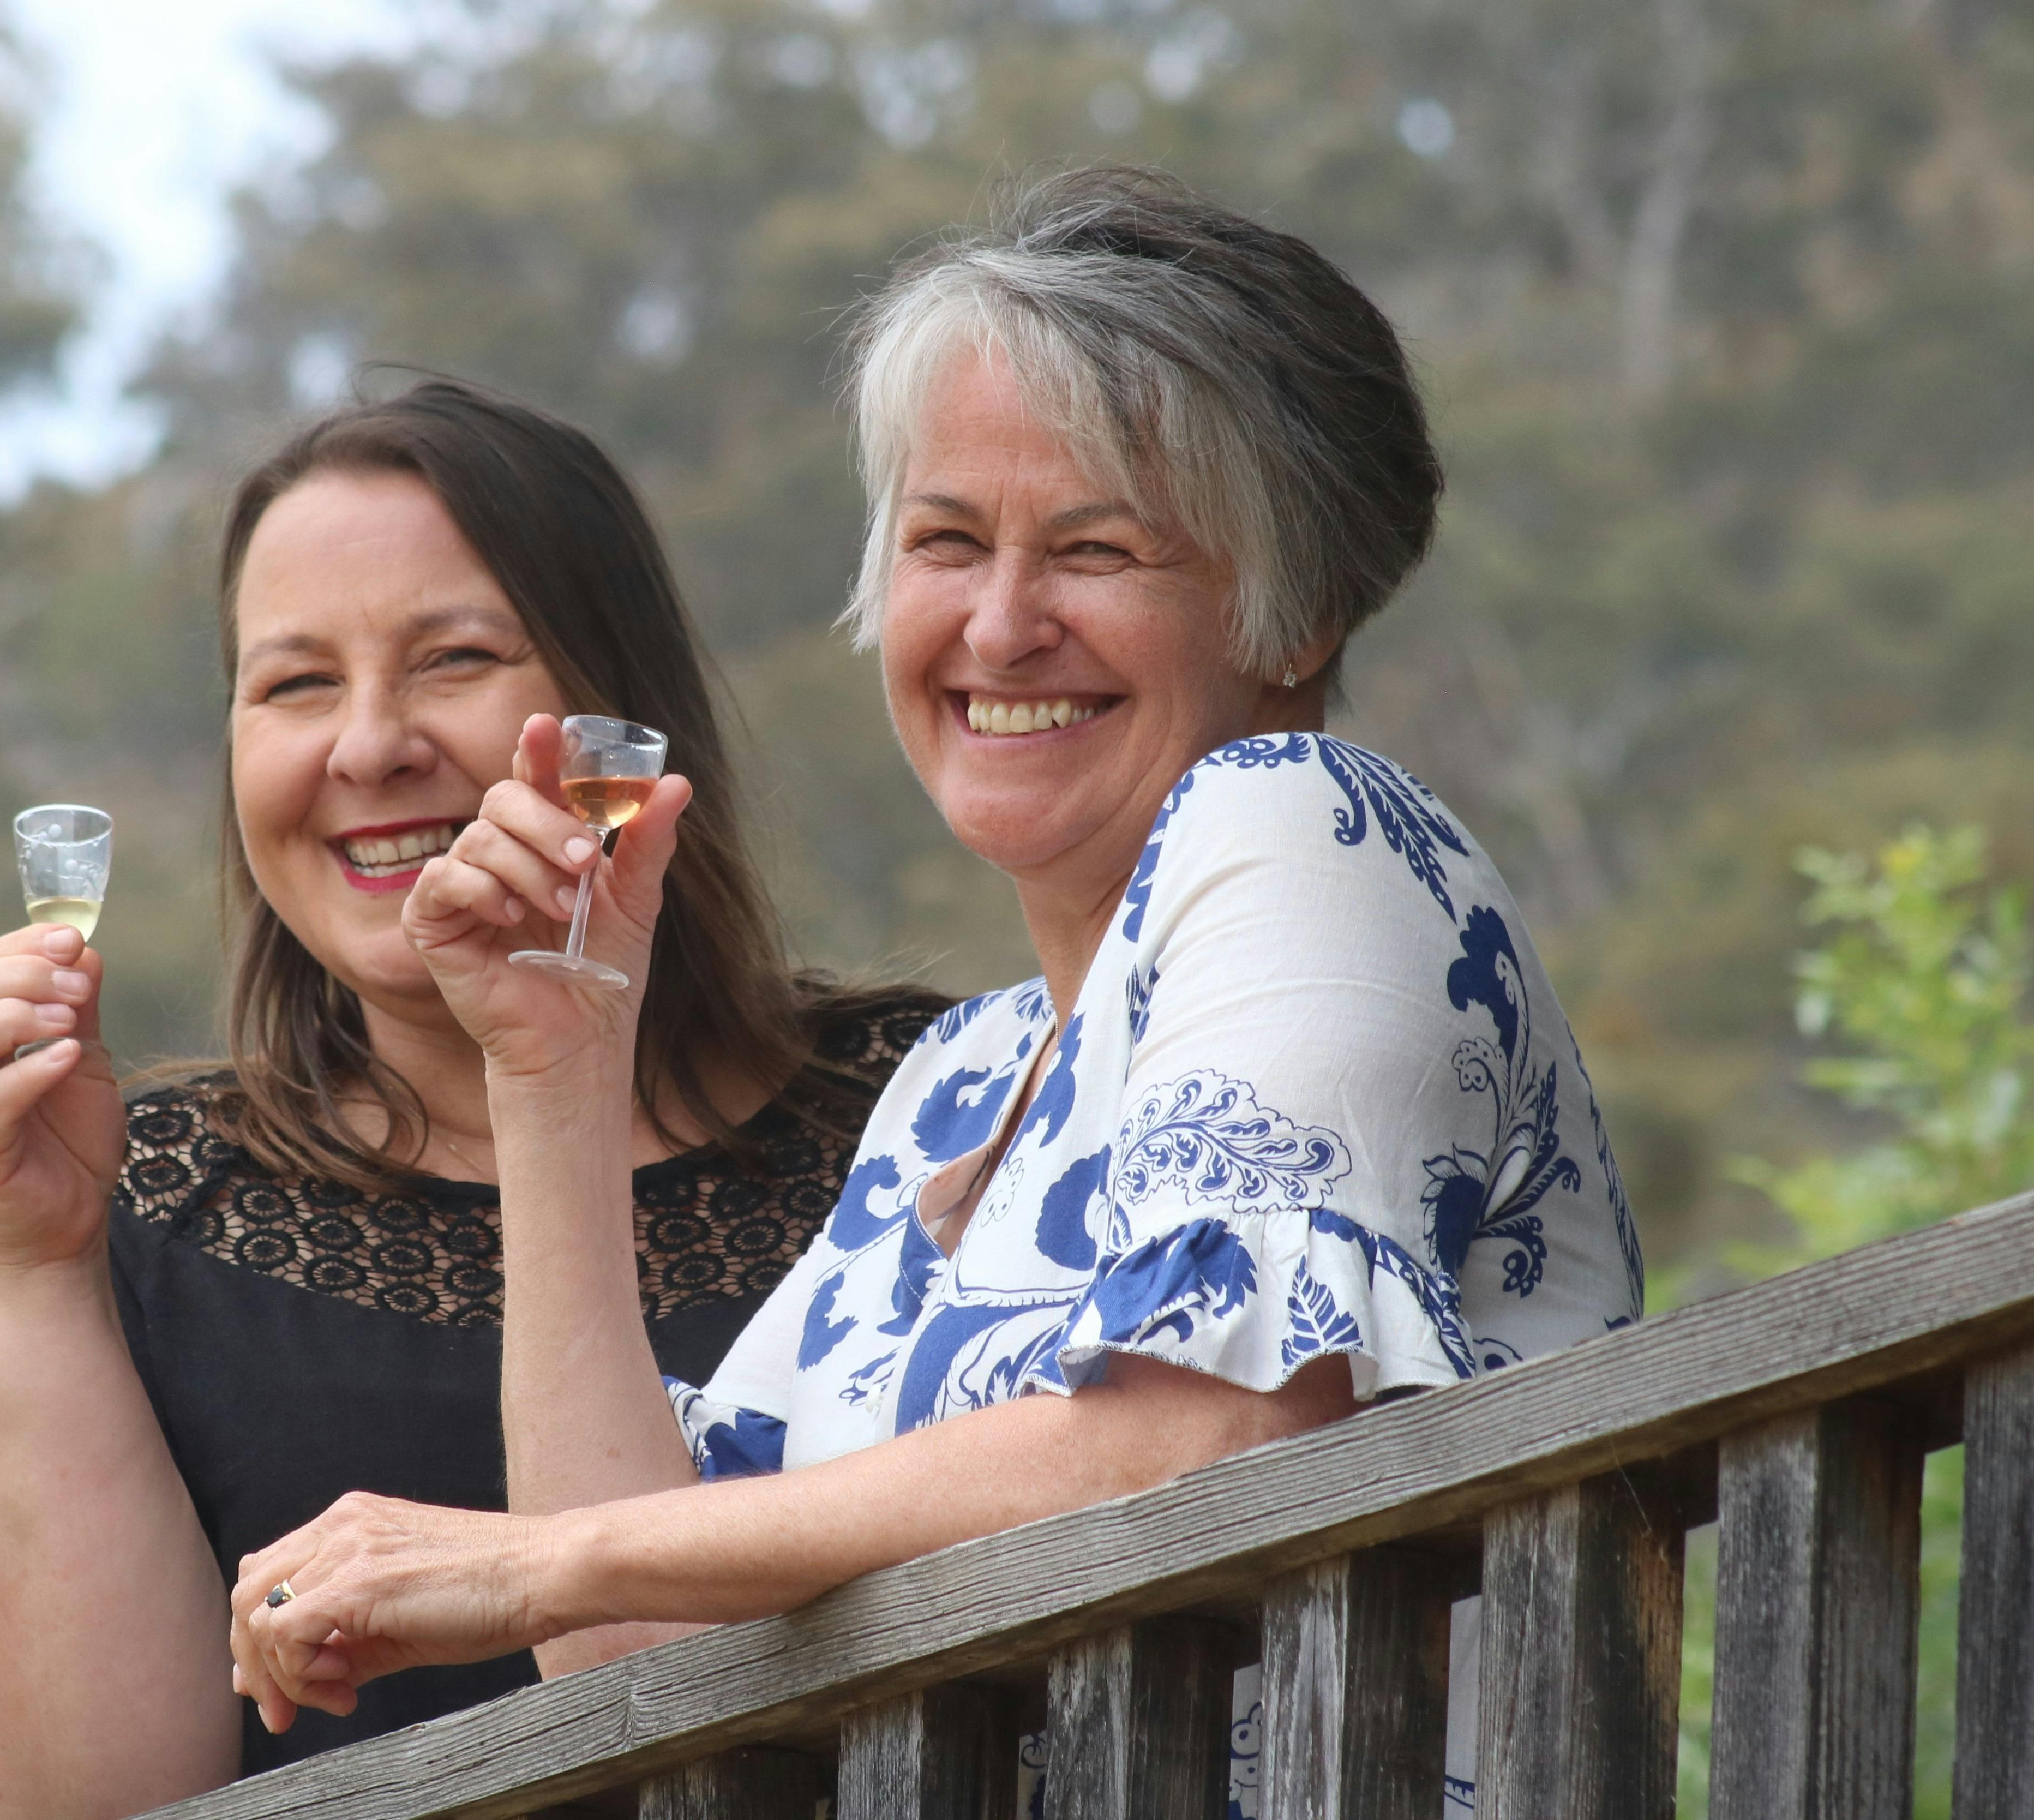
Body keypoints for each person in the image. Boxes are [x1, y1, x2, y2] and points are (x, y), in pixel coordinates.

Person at [222, 169, 1645, 1814]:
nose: (999, 624)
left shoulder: (1307, 821)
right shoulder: (951, 1089)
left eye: (1097, 550)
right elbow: (626, 1663)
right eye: (946, 542)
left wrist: (534, 1560)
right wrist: (553, 1076)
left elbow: (1206, 1437)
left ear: (1296, 609)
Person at [0, 380, 941, 1820]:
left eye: (453, 659)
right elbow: (56, 1805)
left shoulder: (926, 1115)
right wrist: (32, 1263)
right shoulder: (152, 1203)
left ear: (625, 714)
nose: (368, 746)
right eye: (295, 684)